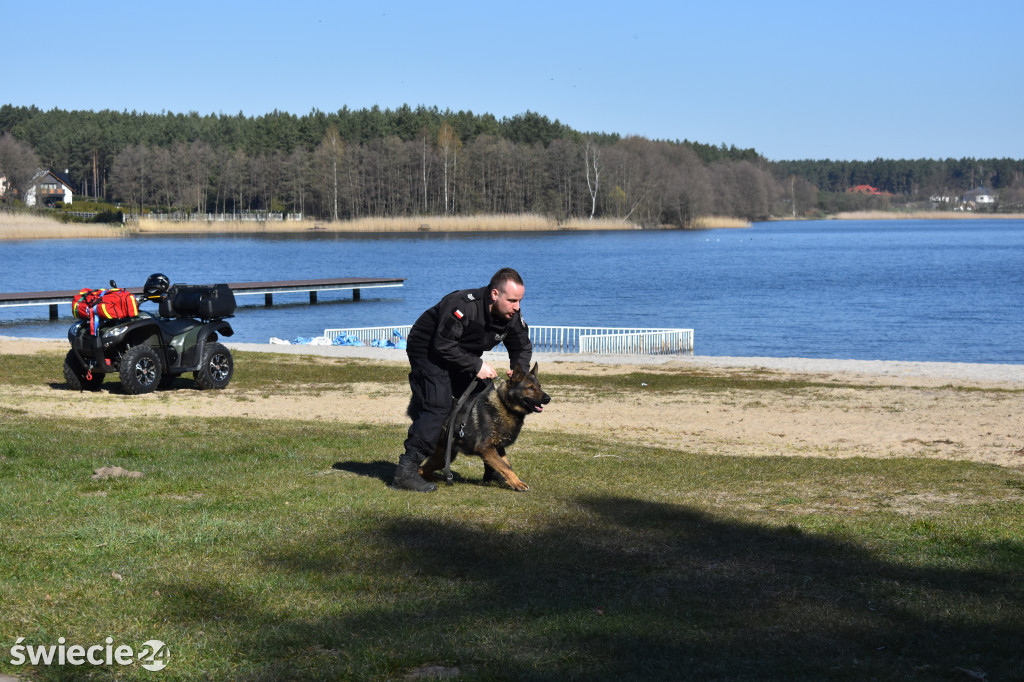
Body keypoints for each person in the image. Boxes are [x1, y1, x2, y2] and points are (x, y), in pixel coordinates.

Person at [394, 267, 533, 492]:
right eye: (513, 300)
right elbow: (443, 344)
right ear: (495, 294)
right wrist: (476, 365)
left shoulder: (511, 315)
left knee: (488, 396)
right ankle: (406, 471)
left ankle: (494, 468)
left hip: (457, 353)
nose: (517, 307)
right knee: (437, 405)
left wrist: (518, 371)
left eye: (520, 301)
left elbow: (522, 346)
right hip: (428, 350)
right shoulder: (462, 305)